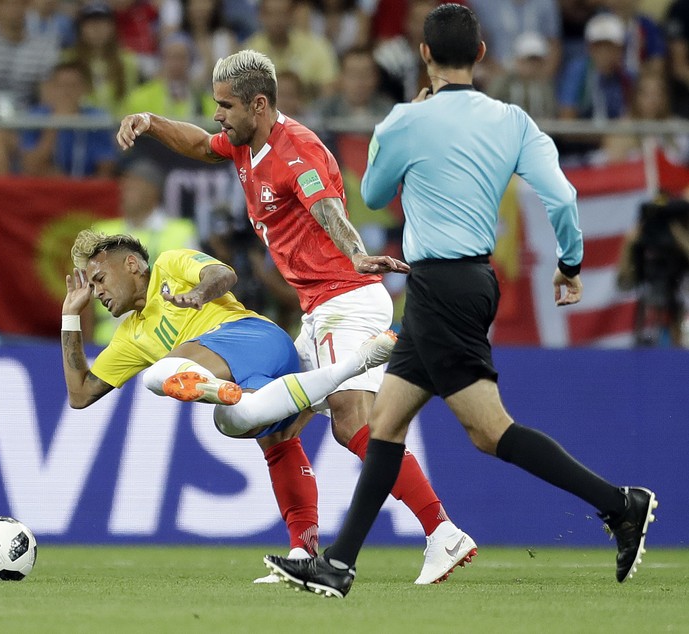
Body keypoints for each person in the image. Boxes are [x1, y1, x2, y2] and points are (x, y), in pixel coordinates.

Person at [262, 3, 658, 598]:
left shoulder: (404, 121)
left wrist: (400, 129)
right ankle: (340, 565)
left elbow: (370, 191)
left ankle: (620, 504)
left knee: (490, 431)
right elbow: (563, 198)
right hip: (469, 282)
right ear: (480, 54)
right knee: (387, 425)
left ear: (424, 55)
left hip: (439, 286)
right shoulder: (513, 120)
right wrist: (570, 265)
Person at [116, 48, 478, 585]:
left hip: (344, 298)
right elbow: (196, 141)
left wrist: (354, 252)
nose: (218, 115)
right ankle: (303, 550)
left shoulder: (296, 152)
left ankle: (442, 532)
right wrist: (150, 122)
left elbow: (326, 206)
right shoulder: (244, 145)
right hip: (319, 307)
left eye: (225, 106)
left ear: (258, 105)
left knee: (353, 422)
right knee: (275, 429)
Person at [60, 230, 397, 568]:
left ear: (131, 264)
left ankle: (226, 386)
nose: (97, 291)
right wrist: (70, 316)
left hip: (253, 339)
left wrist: (197, 294)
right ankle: (302, 553)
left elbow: (223, 274)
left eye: (100, 279)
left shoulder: (169, 265)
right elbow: (80, 394)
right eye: (91, 287)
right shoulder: (129, 337)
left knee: (159, 374)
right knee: (245, 424)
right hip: (241, 378)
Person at [89, 159, 199, 343]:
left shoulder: (181, 232)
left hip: (164, 341)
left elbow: (195, 288)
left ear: (153, 191)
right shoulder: (101, 233)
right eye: (124, 186)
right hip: (108, 340)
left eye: (133, 186)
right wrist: (87, 343)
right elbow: (83, 294)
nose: (124, 191)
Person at [19, 61, 118, 178]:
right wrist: (55, 124)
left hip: (87, 185)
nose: (66, 92)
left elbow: (106, 169)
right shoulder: (35, 117)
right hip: (47, 185)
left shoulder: (97, 118)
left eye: (73, 86)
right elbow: (30, 166)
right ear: (51, 88)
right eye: (61, 86)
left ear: (84, 88)